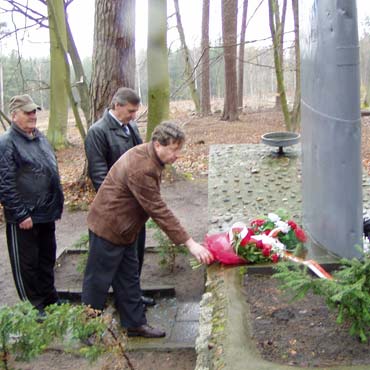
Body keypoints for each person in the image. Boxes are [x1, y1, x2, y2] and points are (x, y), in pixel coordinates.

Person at [82, 121, 213, 338]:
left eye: (179, 149)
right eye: (174, 149)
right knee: (97, 281)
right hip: (108, 227)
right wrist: (189, 243)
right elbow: (157, 208)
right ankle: (86, 328)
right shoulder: (141, 168)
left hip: (125, 229)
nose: (177, 155)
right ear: (158, 144)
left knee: (129, 278)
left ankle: (134, 324)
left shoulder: (149, 156)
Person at [84, 87, 154, 307]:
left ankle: (132, 296)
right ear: (117, 105)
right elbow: (98, 173)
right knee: (107, 263)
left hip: (136, 206)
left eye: (135, 111)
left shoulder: (130, 127)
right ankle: (96, 308)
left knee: (135, 256)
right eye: (131, 111)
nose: (134, 115)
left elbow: (142, 159)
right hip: (114, 210)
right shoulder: (98, 131)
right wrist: (115, 207)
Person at [0, 94, 64, 315]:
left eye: (34, 111)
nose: (33, 115)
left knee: (47, 258)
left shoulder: (39, 137)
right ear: (14, 115)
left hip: (46, 212)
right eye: (27, 112)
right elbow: (5, 182)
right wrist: (19, 214)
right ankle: (33, 305)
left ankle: (49, 297)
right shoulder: (6, 142)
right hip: (25, 216)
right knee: (27, 264)